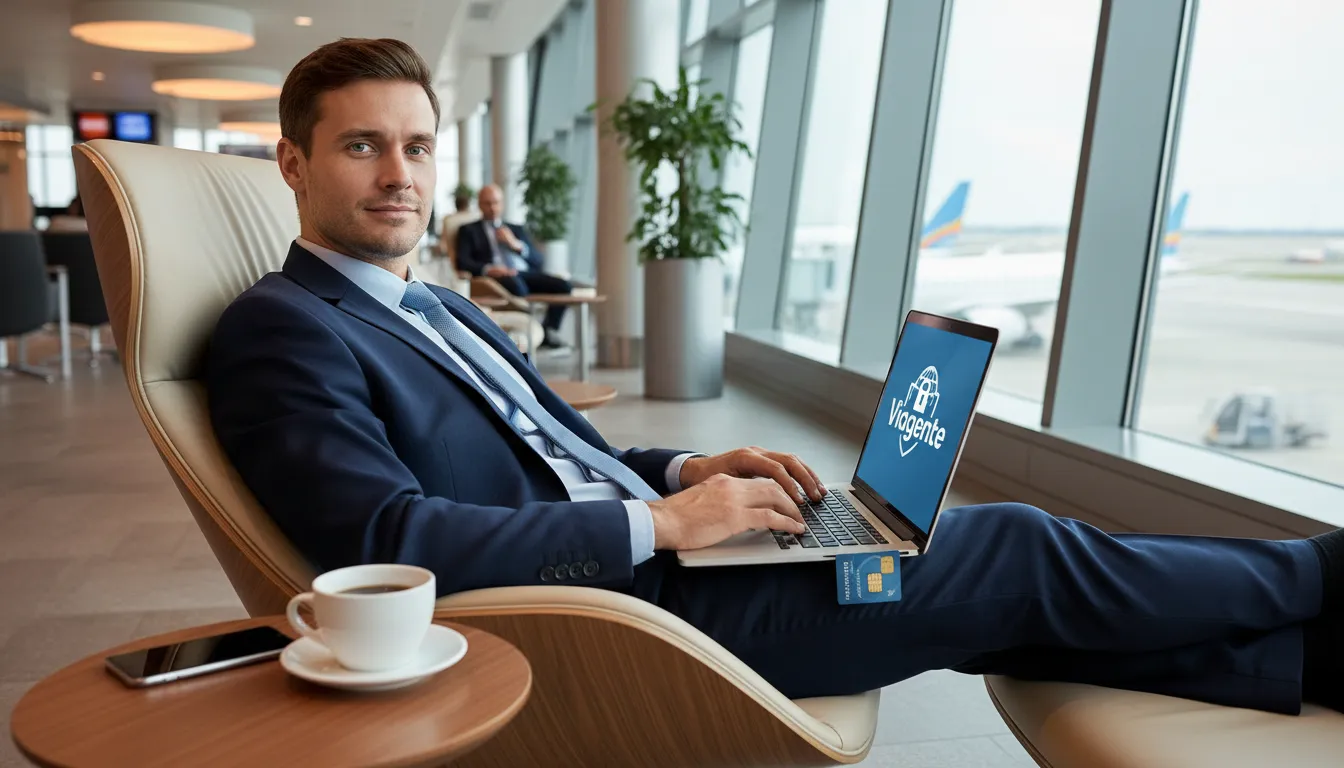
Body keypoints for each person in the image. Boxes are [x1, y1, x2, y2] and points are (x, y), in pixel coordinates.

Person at [206, 37, 1344, 717]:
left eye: (416, 146)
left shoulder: (440, 304)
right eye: (362, 146)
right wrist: (664, 524)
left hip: (665, 568)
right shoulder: (286, 331)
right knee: (1010, 549)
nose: (399, 174)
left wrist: (691, 469)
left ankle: (1307, 657)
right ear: (294, 163)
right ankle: (1315, 574)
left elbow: (557, 457)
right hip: (614, 618)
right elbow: (390, 545)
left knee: (980, 593)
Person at [456, 183, 572, 350]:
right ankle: (526, 331)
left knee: (564, 286)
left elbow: (538, 261)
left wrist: (516, 245)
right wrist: (489, 269)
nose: (492, 207)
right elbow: (463, 262)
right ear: (480, 204)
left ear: (502, 204)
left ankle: (548, 330)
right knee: (518, 286)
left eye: (495, 202)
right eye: (487, 203)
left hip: (523, 273)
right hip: (497, 277)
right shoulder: (468, 230)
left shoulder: (516, 229)